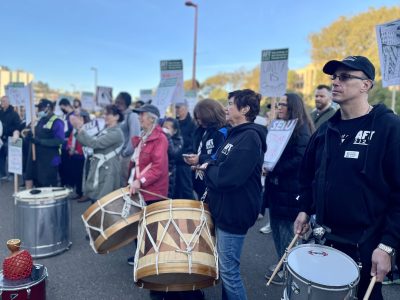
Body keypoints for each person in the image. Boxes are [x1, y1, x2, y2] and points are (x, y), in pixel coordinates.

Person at [294, 56, 400, 300]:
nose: (335, 82)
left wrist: (387, 246)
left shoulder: (389, 128)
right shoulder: (325, 129)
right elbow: (308, 174)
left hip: (366, 247)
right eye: (334, 77)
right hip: (324, 241)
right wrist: (304, 208)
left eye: (344, 77)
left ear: (366, 85)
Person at [203, 89, 267, 300]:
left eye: (230, 103)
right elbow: (219, 165)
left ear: (245, 109)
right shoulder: (236, 135)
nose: (226, 108)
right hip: (226, 208)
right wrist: (211, 166)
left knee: (229, 272)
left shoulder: (249, 137)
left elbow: (227, 177)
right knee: (226, 267)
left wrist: (206, 168)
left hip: (235, 211)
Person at [263, 93, 314, 284]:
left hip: (290, 191)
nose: (279, 107)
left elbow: (300, 159)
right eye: (279, 104)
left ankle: (291, 270)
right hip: (277, 189)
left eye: (283, 104)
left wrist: (273, 167)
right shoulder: (279, 126)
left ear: (293, 107)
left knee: (287, 232)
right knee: (276, 229)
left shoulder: (301, 130)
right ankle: (283, 263)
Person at [70, 104, 124, 202]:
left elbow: (94, 143)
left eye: (108, 114)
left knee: (104, 202)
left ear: (117, 117)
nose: (105, 116)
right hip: (101, 168)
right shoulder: (106, 130)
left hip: (108, 171)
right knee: (97, 201)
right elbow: (90, 142)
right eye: (105, 114)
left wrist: (79, 128)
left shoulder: (116, 133)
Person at [184, 99, 228, 199]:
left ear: (210, 115)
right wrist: (190, 157)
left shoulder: (222, 132)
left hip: (214, 185)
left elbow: (220, 156)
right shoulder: (200, 131)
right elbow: (195, 149)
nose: (199, 121)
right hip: (199, 182)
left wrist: (200, 159)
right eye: (197, 118)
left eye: (201, 118)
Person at [25, 99, 64, 188]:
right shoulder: (40, 120)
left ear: (48, 108)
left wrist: (40, 141)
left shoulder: (58, 122)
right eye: (38, 109)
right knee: (39, 183)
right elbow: (34, 134)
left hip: (51, 159)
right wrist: (30, 135)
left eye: (41, 109)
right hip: (39, 159)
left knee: (49, 184)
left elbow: (60, 141)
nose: (39, 111)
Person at [115, 92, 140, 186]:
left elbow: (134, 137)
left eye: (120, 102)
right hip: (117, 156)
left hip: (126, 157)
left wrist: (125, 153)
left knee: (124, 183)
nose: (118, 104)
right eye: (117, 102)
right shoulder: (119, 115)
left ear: (126, 102)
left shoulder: (132, 116)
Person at [65, 111, 90, 201]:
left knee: (84, 176)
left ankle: (85, 194)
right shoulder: (75, 128)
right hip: (74, 155)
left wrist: (77, 151)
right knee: (76, 175)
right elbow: (71, 139)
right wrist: (69, 148)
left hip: (84, 155)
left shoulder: (88, 128)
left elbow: (87, 142)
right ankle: (78, 192)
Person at [174, 100, 196, 199]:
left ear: (186, 108)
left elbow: (193, 145)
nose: (177, 110)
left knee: (186, 191)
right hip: (173, 164)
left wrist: (183, 156)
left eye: (179, 107)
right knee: (174, 192)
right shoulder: (173, 123)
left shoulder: (192, 124)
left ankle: (191, 212)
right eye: (176, 107)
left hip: (184, 164)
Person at [0, 96, 21, 179]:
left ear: (8, 102)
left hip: (11, 138)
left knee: (12, 157)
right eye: (1, 101)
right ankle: (2, 174)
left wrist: (11, 131)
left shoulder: (14, 114)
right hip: (1, 139)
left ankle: (12, 175)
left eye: (4, 101)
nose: (2, 103)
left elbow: (17, 126)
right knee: (1, 156)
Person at [162, 117, 183, 198]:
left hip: (170, 173)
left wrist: (168, 136)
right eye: (163, 127)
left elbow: (173, 153)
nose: (164, 129)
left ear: (175, 131)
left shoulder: (178, 140)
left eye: (167, 128)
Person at [58, 98, 75, 187]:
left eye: (62, 108)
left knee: (67, 165)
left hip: (69, 144)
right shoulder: (67, 115)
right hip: (65, 144)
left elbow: (71, 130)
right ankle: (65, 182)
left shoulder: (72, 116)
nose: (62, 110)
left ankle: (67, 183)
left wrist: (62, 135)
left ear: (66, 105)